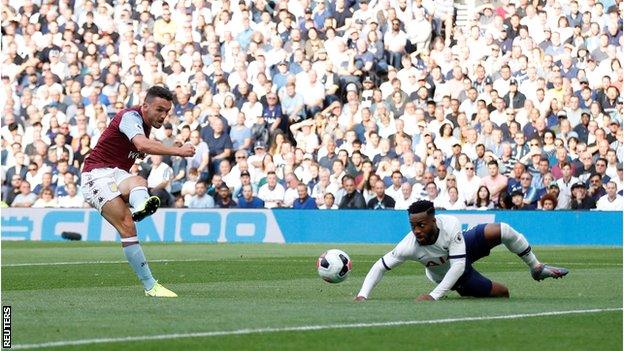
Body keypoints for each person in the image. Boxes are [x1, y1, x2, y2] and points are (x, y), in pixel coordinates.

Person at [80, 86, 195, 298]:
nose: (163, 115)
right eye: (159, 109)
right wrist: (178, 151)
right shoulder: (130, 116)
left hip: (116, 173)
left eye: (167, 112)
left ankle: (142, 207)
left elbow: (135, 148)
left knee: (139, 181)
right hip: (95, 174)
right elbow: (141, 145)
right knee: (127, 225)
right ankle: (151, 286)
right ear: (145, 105)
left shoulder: (145, 125)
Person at [355, 200, 569, 301]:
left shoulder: (450, 225)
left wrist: (433, 297)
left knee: (501, 229)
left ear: (434, 220)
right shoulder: (408, 246)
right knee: (503, 293)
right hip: (452, 276)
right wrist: (362, 295)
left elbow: (458, 262)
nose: (417, 230)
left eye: (422, 225)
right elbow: (380, 266)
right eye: (413, 226)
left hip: (461, 253)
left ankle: (536, 267)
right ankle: (464, 291)